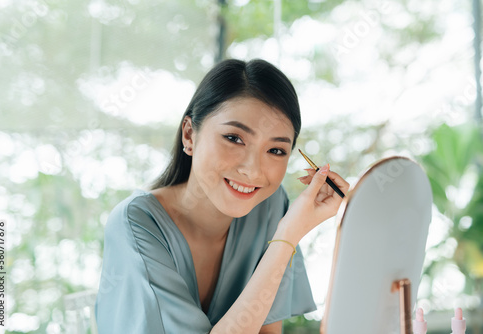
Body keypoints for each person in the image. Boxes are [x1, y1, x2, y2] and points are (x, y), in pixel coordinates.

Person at [95, 58, 349, 333]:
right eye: (234, 138)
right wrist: (287, 237)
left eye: (275, 150)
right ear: (190, 135)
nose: (252, 171)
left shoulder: (271, 207)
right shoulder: (135, 223)